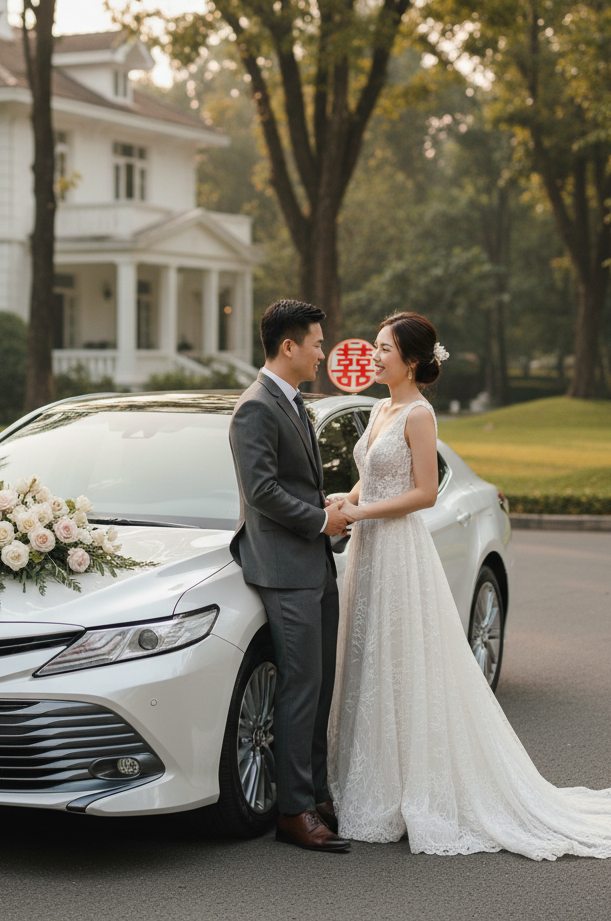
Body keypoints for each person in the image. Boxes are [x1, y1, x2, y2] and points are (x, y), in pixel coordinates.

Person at [326, 310, 611, 858]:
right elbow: (371, 474)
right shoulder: (381, 407)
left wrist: (363, 515)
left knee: (399, 661)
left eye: (384, 348)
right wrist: (347, 500)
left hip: (399, 548)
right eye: (376, 347)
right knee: (367, 660)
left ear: (409, 359)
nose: (374, 355)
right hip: (369, 550)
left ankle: (412, 790)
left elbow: (426, 493)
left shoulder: (420, 415)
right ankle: (367, 784)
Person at [228, 299, 352, 852]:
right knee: (300, 688)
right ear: (289, 347)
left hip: (314, 563)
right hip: (282, 569)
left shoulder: (295, 403)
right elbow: (261, 492)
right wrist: (321, 519)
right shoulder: (254, 408)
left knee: (318, 685)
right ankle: (294, 811)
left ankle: (318, 794)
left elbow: (292, 483)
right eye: (318, 343)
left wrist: (324, 508)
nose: (323, 351)